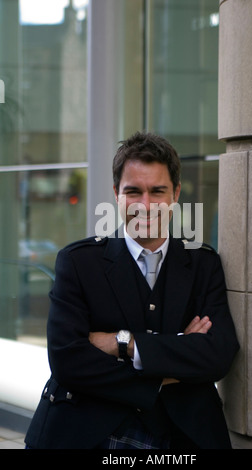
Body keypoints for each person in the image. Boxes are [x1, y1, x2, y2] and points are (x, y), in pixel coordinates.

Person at [25, 132, 239, 449]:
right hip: (85, 432)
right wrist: (174, 357)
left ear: (176, 193)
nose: (145, 204)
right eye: (133, 191)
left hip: (183, 435)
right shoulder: (78, 262)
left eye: (157, 191)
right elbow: (67, 360)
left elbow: (218, 354)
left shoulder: (203, 264)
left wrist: (123, 344)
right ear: (116, 194)